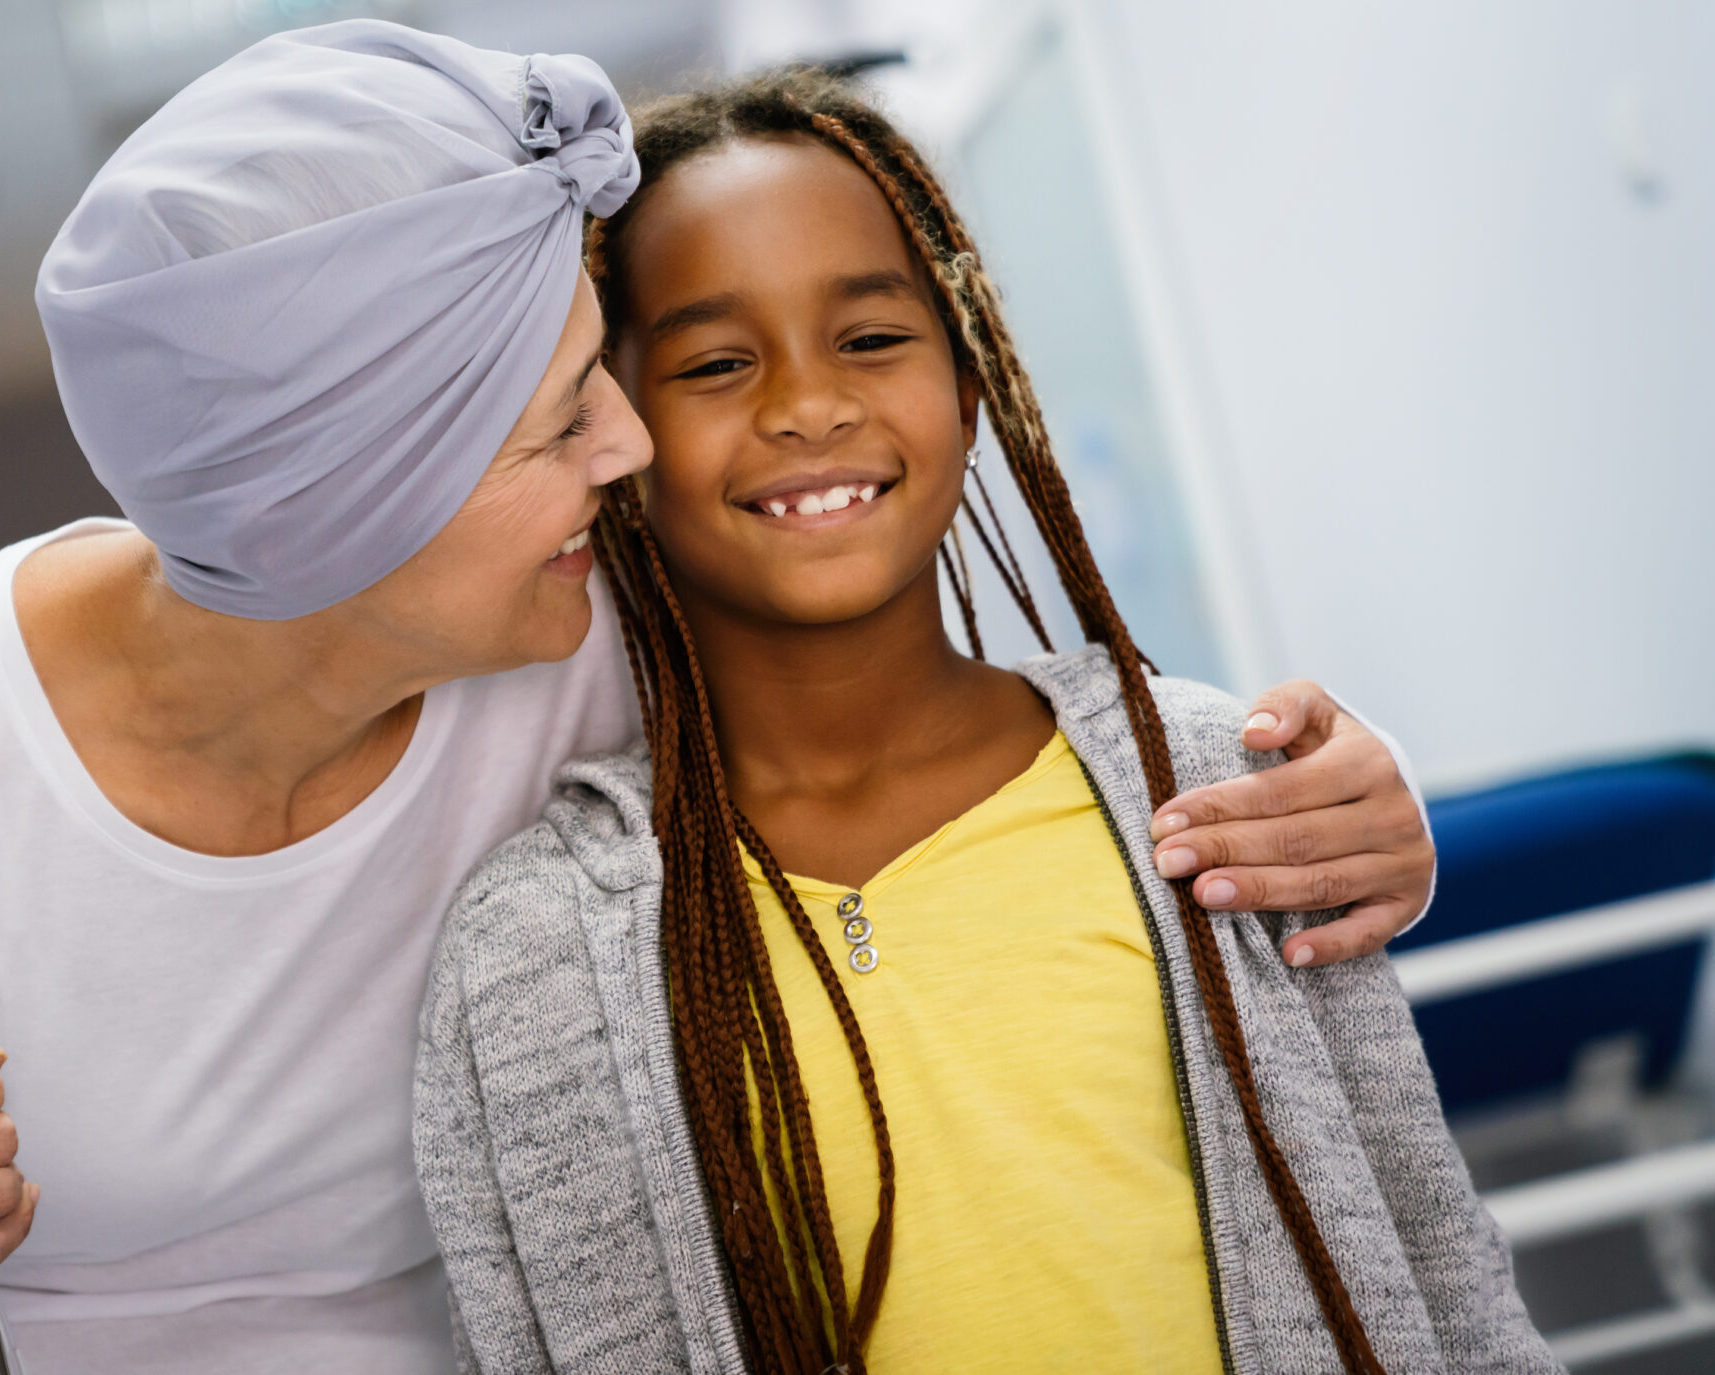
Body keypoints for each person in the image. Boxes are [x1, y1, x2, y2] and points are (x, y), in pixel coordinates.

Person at [0, 24, 1441, 1375]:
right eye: (565, 415)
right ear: (349, 498)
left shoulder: (589, 627)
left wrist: (1341, 793)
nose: (635, 448)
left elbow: (953, 729)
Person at [412, 69, 1553, 1375]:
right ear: (609, 430)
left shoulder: (1212, 789)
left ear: (968, 380)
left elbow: (1440, 1268)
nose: (807, 406)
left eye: (873, 338)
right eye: (717, 362)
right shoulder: (539, 946)